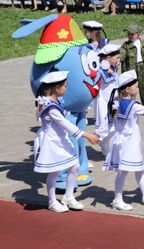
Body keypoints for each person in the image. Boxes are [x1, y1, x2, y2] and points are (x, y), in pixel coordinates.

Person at [33, 71, 100, 213]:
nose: (66, 88)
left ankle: (68, 196)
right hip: (53, 142)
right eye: (65, 86)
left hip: (60, 139)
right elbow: (65, 124)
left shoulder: (54, 102)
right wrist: (87, 135)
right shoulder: (50, 107)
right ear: (57, 88)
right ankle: (52, 201)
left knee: (74, 166)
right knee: (54, 172)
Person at [102, 70, 144, 210]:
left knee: (139, 168)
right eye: (136, 86)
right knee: (123, 171)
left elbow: (107, 122)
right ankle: (117, 199)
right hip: (127, 142)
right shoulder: (132, 106)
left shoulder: (117, 103)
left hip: (127, 141)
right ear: (127, 89)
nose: (138, 88)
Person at [119, 23, 144, 106]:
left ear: (138, 34)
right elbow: (121, 56)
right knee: (130, 89)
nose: (130, 36)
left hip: (142, 67)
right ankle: (129, 106)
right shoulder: (126, 46)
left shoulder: (143, 43)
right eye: (128, 34)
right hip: (130, 70)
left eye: (132, 34)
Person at [94, 43, 121, 142]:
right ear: (108, 58)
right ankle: (105, 146)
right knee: (106, 127)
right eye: (117, 58)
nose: (119, 60)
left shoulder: (111, 67)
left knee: (113, 127)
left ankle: (109, 147)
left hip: (113, 100)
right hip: (105, 102)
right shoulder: (103, 70)